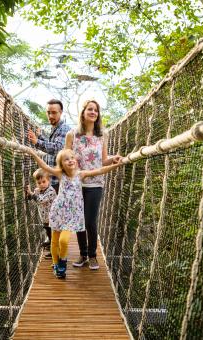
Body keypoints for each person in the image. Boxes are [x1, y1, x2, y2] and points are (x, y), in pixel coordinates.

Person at [24, 147, 123, 279]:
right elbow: (44, 166)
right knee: (54, 241)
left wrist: (115, 165)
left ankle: (62, 263)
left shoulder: (80, 174)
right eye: (66, 159)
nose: (70, 160)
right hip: (58, 211)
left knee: (64, 241)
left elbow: (99, 170)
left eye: (72, 157)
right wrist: (32, 153)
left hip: (72, 214)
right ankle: (56, 265)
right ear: (61, 164)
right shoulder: (60, 174)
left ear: (75, 160)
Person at [65, 99, 122, 270]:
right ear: (83, 112)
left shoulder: (102, 135)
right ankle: (83, 255)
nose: (93, 112)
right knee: (79, 220)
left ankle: (93, 255)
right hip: (76, 184)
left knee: (90, 220)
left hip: (95, 184)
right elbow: (65, 158)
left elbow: (104, 160)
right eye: (90, 109)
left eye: (96, 110)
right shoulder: (72, 135)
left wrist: (114, 158)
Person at [28, 99, 70, 193]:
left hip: (59, 181)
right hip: (52, 180)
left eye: (54, 113)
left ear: (61, 112)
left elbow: (58, 148)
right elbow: (51, 144)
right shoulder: (55, 128)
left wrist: (37, 141)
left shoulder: (64, 128)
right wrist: (40, 137)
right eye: (48, 112)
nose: (50, 116)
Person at [26, 168, 57, 259]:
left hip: (53, 219)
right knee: (49, 233)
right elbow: (32, 199)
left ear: (49, 181)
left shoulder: (51, 191)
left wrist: (32, 194)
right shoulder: (38, 190)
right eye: (39, 183)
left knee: (53, 237)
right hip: (45, 218)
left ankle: (55, 253)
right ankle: (52, 247)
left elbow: (40, 200)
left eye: (44, 182)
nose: (42, 184)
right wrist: (29, 194)